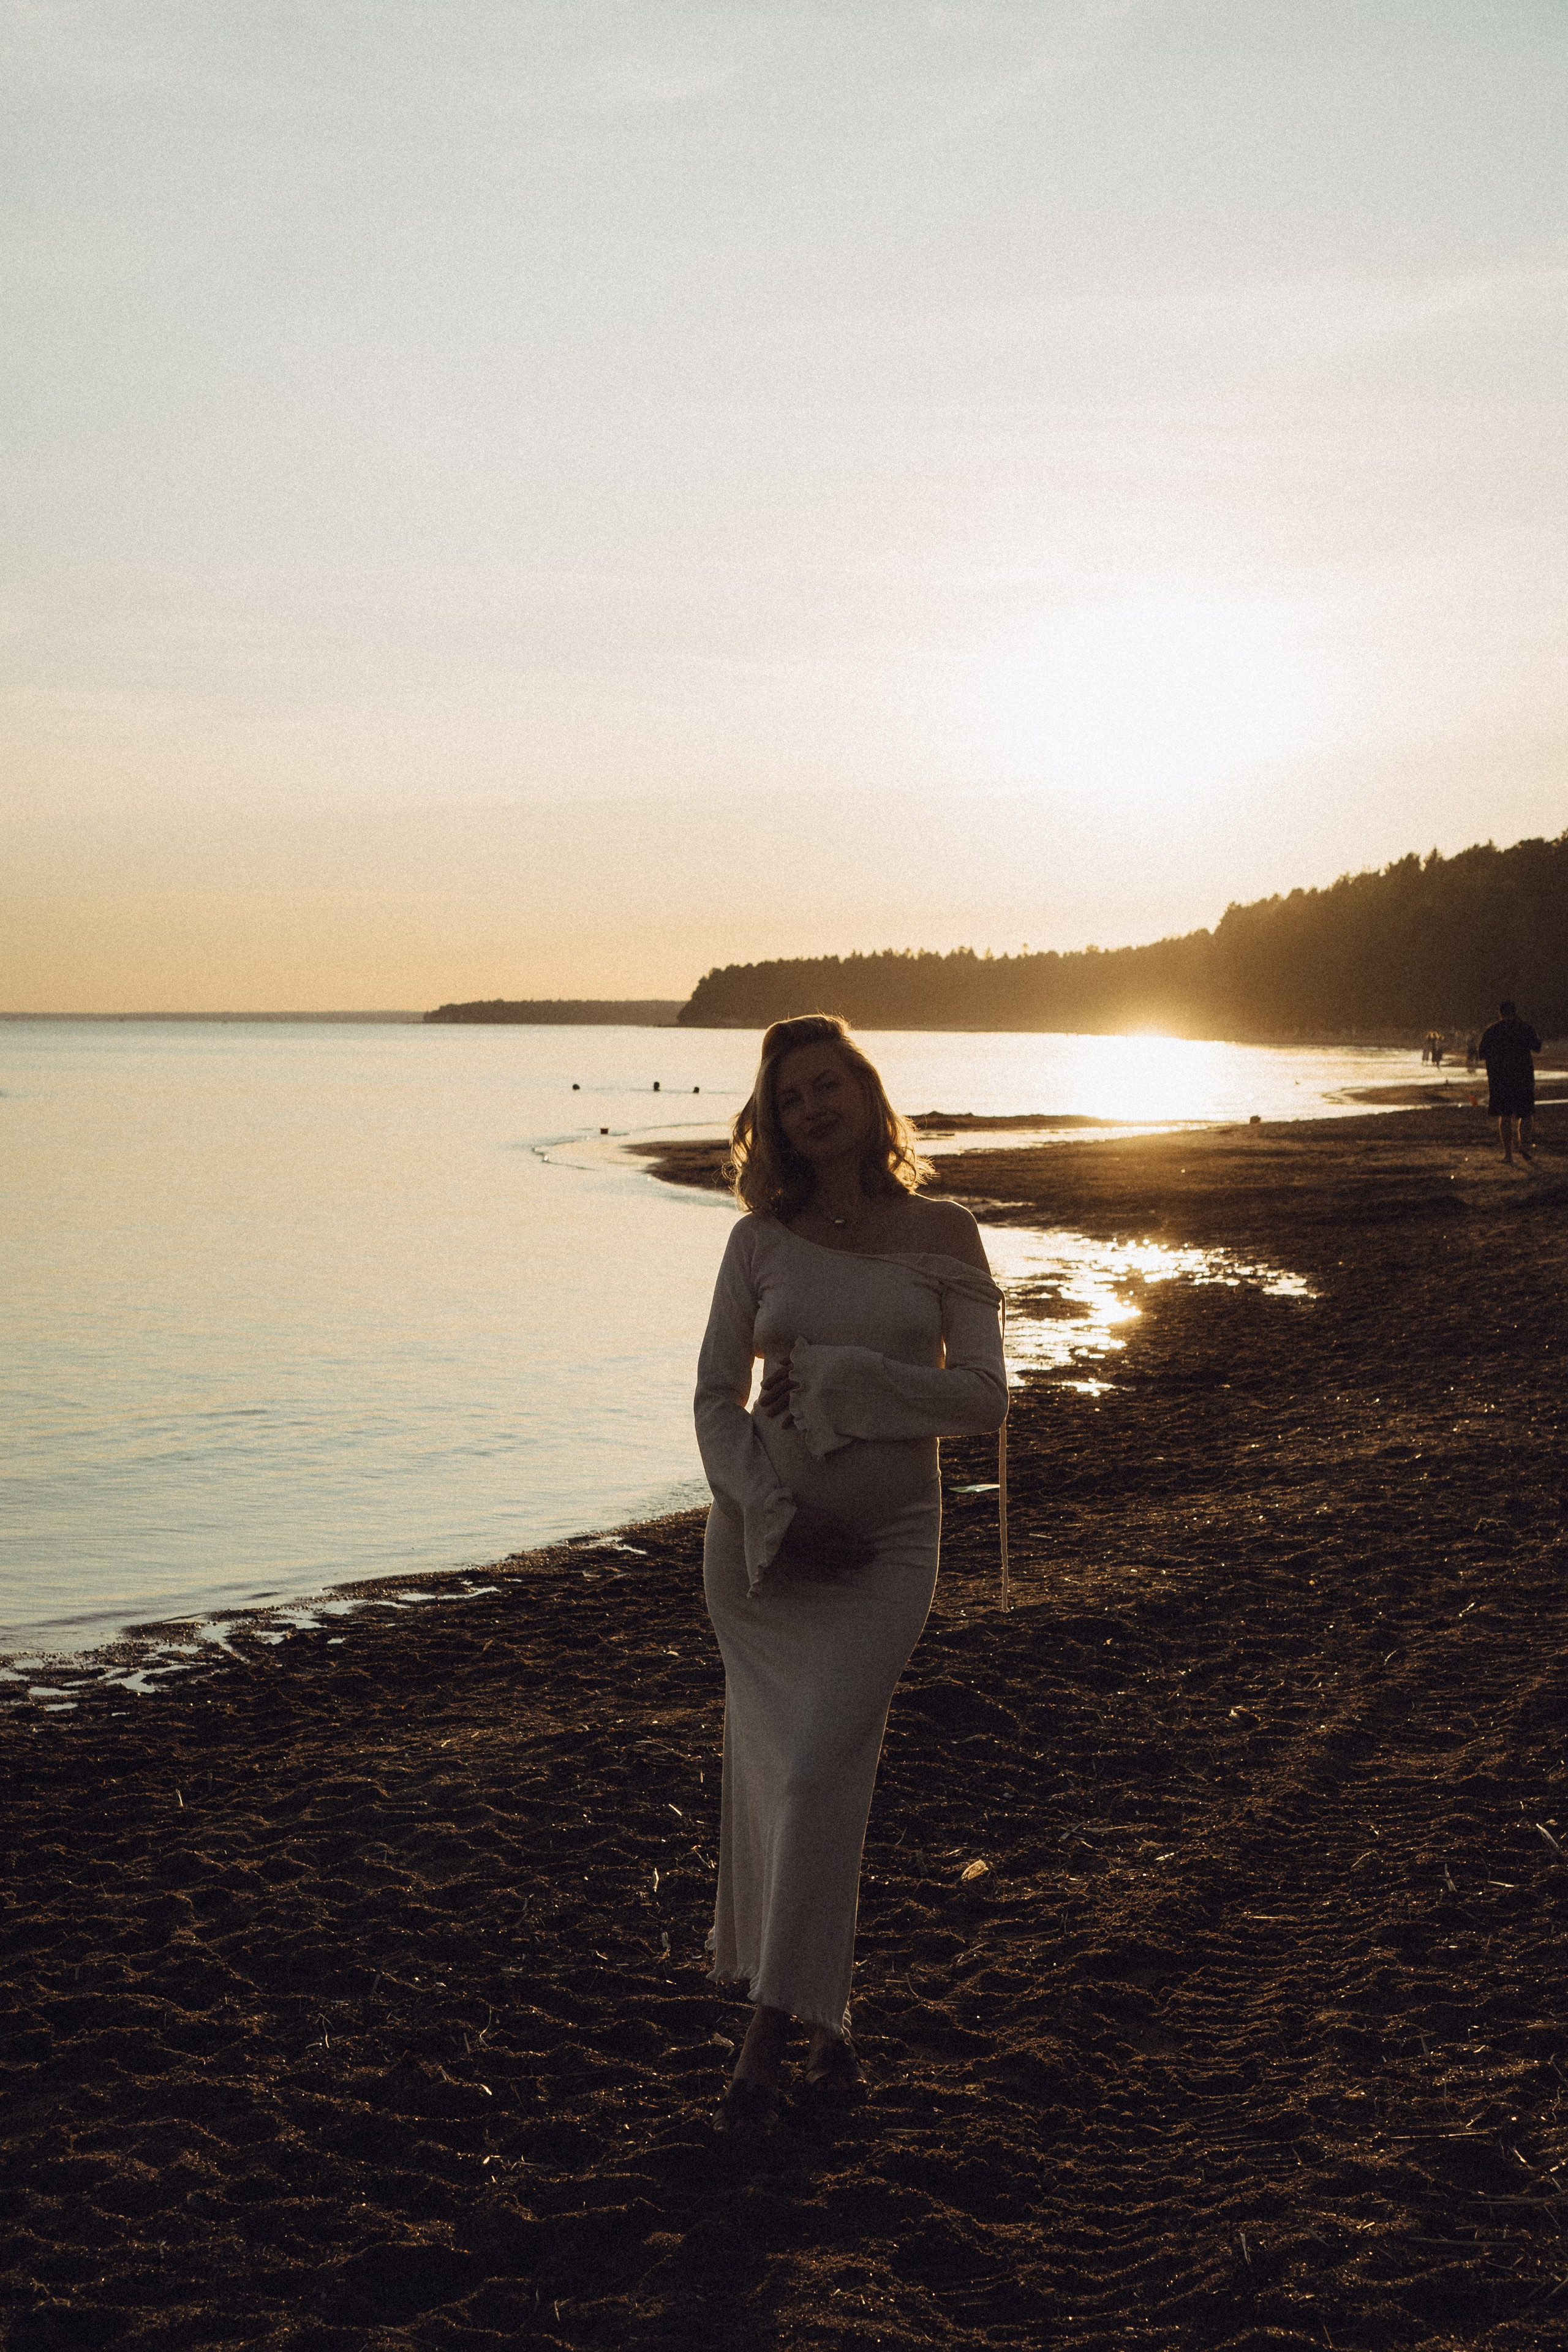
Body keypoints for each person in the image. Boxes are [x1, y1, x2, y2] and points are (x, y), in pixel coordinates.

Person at [693, 1013, 1008, 2133]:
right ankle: (821, 2020)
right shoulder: (758, 1244)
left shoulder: (946, 1232)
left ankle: (765, 2037)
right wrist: (776, 1516)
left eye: (828, 1085)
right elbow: (713, 1402)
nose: (812, 1108)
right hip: (764, 1557)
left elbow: (984, 1398)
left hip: (890, 1550)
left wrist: (841, 1376)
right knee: (795, 1778)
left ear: (869, 1096)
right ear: (774, 1124)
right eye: (790, 1098)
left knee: (819, 1767)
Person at [1477, 998, 1542, 1164]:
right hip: (1524, 1077)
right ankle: (1524, 1146)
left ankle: (1508, 1155)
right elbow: (1537, 1047)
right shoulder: (1525, 1027)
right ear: (1515, 1012)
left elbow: (1481, 1053)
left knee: (1505, 1115)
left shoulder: (1492, 1030)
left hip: (1500, 1079)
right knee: (1526, 1114)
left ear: (1500, 1013)